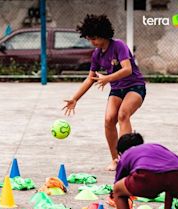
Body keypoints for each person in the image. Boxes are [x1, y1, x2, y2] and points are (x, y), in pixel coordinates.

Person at [62, 14, 146, 171]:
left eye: (94, 38)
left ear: (103, 34)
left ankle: (126, 159)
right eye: (89, 39)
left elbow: (127, 69)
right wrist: (75, 99)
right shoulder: (97, 54)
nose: (92, 42)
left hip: (135, 86)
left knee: (123, 115)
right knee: (108, 120)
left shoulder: (119, 45)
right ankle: (115, 160)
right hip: (116, 89)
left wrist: (108, 78)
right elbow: (90, 79)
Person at [112, 132, 178, 209]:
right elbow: (168, 182)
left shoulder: (126, 154)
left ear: (121, 153)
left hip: (148, 177)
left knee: (117, 190)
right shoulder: (155, 147)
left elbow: (118, 184)